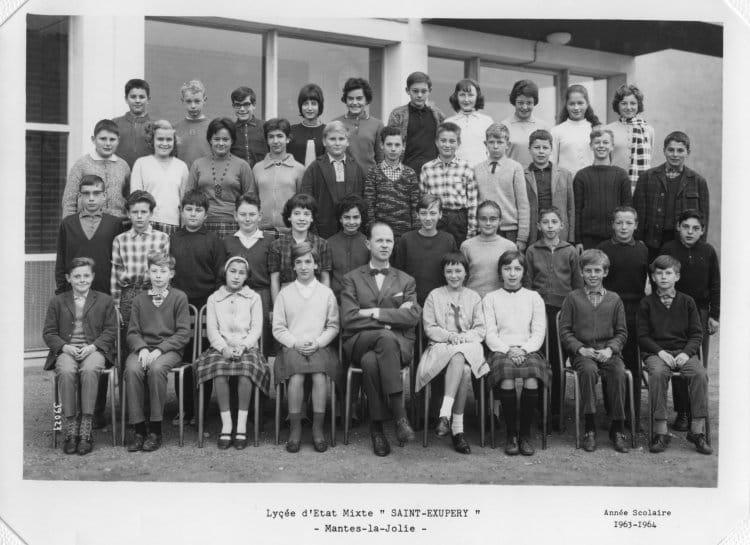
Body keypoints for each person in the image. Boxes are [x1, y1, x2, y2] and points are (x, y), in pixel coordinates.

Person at [341, 222, 421, 456]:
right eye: (379, 240)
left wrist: (374, 312)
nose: (384, 245)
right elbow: (348, 318)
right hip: (359, 341)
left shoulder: (406, 280)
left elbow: (413, 316)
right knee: (384, 337)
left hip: (397, 346)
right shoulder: (351, 279)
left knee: (370, 362)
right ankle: (400, 416)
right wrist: (390, 320)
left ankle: (377, 430)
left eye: (389, 241)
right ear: (368, 244)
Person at [43, 257, 118, 455]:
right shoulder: (57, 301)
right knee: (66, 370)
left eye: (86, 275)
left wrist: (94, 347)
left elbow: (111, 331)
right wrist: (64, 347)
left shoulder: (105, 300)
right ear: (68, 278)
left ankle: (86, 426)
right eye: (77, 276)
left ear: (92, 277)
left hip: (94, 350)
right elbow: (49, 333)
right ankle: (71, 426)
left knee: (90, 369)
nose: (82, 280)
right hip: (67, 350)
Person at [195, 255, 270, 450]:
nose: (236, 276)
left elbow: (256, 328)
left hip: (247, 347)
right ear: (225, 273)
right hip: (221, 347)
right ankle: (227, 424)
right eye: (233, 271)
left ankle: (241, 425)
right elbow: (212, 330)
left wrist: (243, 346)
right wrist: (224, 348)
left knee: (246, 372)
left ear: (246, 276)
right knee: (220, 372)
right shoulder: (214, 299)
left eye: (241, 273)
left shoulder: (254, 298)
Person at [638, 255, 711, 455]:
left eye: (668, 273)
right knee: (658, 374)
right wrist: (660, 352)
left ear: (677, 276)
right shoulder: (646, 303)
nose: (663, 277)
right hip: (656, 353)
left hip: (682, 352)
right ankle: (661, 431)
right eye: (659, 273)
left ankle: (697, 431)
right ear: (653, 277)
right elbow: (642, 336)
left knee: (699, 374)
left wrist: (687, 353)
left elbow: (696, 334)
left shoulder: (687, 302)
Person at [558, 249, 630, 453]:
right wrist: (580, 349)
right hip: (583, 354)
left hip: (608, 352)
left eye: (597, 270)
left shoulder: (614, 299)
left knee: (618, 372)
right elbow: (565, 331)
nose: (592, 275)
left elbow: (622, 332)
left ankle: (617, 427)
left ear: (605, 272)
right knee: (588, 372)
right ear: (581, 272)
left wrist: (611, 349)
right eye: (588, 270)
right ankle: (589, 427)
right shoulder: (573, 298)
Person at [416, 252, 488, 454]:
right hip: (441, 346)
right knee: (463, 368)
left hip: (467, 344)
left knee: (460, 356)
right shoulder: (434, 295)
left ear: (466, 273)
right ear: (443, 273)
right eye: (449, 271)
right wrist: (449, 336)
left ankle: (445, 415)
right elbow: (430, 327)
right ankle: (457, 430)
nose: (454, 275)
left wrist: (463, 338)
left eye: (458, 271)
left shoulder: (473, 297)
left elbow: (480, 329)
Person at [273, 243, 341, 453]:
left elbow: (333, 326)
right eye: (299, 262)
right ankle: (295, 430)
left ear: (316, 265)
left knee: (320, 376)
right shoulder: (285, 294)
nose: (303, 267)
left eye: (308, 262)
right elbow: (278, 328)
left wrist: (318, 342)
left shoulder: (326, 293)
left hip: (319, 346)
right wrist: (295, 342)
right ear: (293, 266)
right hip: (292, 347)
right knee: (297, 376)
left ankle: (317, 430)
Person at [659, 209, 720, 431]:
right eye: (685, 227)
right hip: (674, 312)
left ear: (702, 230)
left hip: (700, 312)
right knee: (678, 358)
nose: (690, 232)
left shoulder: (708, 251)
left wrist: (714, 315)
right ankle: (683, 412)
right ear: (678, 227)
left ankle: (698, 414)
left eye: (695, 228)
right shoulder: (669, 249)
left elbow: (715, 283)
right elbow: (659, 278)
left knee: (696, 362)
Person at [124, 252, 191, 452]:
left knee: (156, 369)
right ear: (148, 273)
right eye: (154, 271)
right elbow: (132, 332)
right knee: (132, 369)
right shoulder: (139, 300)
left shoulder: (179, 297)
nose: (159, 275)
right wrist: (143, 348)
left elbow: (183, 333)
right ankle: (138, 429)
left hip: (169, 349)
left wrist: (161, 349)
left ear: (171, 274)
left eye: (163, 271)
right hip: (144, 348)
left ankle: (155, 429)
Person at [483, 250, 548, 456]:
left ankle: (525, 435)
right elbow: (489, 333)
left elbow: (539, 332)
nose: (512, 273)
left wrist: (524, 349)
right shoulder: (491, 298)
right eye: (507, 268)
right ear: (500, 272)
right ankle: (511, 434)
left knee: (532, 379)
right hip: (501, 350)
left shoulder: (534, 297)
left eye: (517, 269)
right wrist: (508, 350)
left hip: (529, 349)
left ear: (524, 272)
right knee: (507, 378)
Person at [170, 189, 226, 425]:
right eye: (189, 209)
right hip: (180, 308)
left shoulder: (213, 240)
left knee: (203, 357)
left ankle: (201, 408)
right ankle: (184, 408)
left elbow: (220, 277)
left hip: (205, 307)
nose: (193, 214)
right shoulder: (172, 239)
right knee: (182, 357)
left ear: (206, 214)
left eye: (198, 210)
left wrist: (213, 305)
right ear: (181, 212)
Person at [525, 207, 583, 427]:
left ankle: (557, 410)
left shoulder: (570, 251)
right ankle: (541, 408)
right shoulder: (532, 250)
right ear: (538, 226)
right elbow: (528, 283)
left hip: (562, 313)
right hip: (539, 311)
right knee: (542, 359)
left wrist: (574, 310)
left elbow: (577, 285)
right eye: (545, 222)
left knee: (558, 361)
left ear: (562, 225)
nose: (550, 226)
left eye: (554, 222)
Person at [597, 206, 649, 427]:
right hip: (609, 311)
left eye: (628, 223)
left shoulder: (643, 249)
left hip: (635, 312)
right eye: (619, 223)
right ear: (612, 225)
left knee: (633, 364)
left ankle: (632, 415)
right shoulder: (603, 249)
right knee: (611, 362)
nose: (624, 227)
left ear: (635, 225)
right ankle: (613, 413)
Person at [633, 131, 710, 262]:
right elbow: (638, 214)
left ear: (688, 152)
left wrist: (699, 246)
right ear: (664, 151)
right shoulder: (647, 178)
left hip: (684, 244)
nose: (675, 154)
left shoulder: (698, 181)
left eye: (680, 150)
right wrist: (638, 242)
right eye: (671, 150)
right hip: (653, 243)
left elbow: (704, 219)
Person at [186, 117, 257, 238]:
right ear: (210, 140)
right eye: (216, 139)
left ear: (232, 141)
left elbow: (250, 199)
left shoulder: (242, 165)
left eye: (225, 139)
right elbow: (188, 196)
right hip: (202, 223)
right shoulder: (198, 164)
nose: (221, 143)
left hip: (233, 224)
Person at [110, 190, 170, 329]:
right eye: (135, 212)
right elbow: (115, 275)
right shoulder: (120, 240)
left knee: (153, 333)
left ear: (151, 213)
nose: (139, 216)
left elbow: (165, 272)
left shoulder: (162, 238)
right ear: (128, 214)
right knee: (128, 334)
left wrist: (163, 298)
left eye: (144, 212)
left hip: (153, 292)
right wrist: (116, 305)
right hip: (128, 294)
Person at [55, 175, 124, 296]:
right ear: (80, 196)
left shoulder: (115, 224)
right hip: (74, 293)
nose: (91, 198)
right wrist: (61, 292)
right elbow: (61, 262)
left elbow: (120, 263)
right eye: (86, 194)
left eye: (96, 193)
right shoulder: (68, 224)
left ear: (104, 196)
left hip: (105, 293)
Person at [224, 193, 274, 354]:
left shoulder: (270, 241)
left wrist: (273, 307)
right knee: (236, 342)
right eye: (243, 214)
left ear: (260, 216)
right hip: (234, 298)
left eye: (252, 214)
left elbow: (274, 276)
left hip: (262, 296)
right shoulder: (227, 242)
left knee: (262, 343)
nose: (247, 219)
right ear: (235, 216)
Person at [299, 120, 365, 239]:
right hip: (323, 231)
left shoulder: (356, 168)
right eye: (332, 139)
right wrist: (313, 232)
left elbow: (363, 201)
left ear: (348, 142)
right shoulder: (314, 168)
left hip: (350, 231)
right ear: (324, 141)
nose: (337, 143)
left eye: (341, 139)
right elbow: (306, 202)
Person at [419, 121, 478, 245]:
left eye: (452, 141)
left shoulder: (466, 167)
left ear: (458, 143)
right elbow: (422, 201)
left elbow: (473, 203)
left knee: (457, 252)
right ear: (436, 142)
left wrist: (472, 230)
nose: (447, 145)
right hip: (435, 218)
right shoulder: (427, 168)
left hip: (459, 220)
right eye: (443, 140)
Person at [573, 128, 631, 251]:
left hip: (616, 238)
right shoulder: (581, 176)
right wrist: (578, 240)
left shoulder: (621, 175)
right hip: (588, 239)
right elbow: (576, 210)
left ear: (612, 146)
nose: (601, 146)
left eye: (605, 142)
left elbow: (628, 208)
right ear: (591, 146)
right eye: (597, 142)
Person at [473, 123, 530, 249]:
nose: (495, 146)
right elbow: (474, 202)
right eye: (491, 142)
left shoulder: (515, 168)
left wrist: (522, 237)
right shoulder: (477, 169)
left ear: (507, 144)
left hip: (509, 230)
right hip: (484, 228)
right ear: (485, 144)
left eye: (500, 142)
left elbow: (523, 204)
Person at [395, 194, 457, 305]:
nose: (428, 218)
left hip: (441, 301)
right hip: (412, 300)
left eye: (433, 213)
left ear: (440, 214)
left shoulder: (448, 240)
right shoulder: (406, 239)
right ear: (417, 215)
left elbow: (454, 271)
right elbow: (399, 273)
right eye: (423, 213)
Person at [130, 119, 189, 236]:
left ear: (174, 141)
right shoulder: (141, 163)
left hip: (173, 224)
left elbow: (184, 201)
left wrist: (183, 227)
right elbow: (135, 198)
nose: (165, 143)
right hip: (147, 224)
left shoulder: (181, 166)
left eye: (169, 139)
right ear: (152, 140)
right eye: (160, 139)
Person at [269, 194, 332, 302]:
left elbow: (325, 278)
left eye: (306, 214)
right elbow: (275, 280)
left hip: (314, 299)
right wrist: (277, 307)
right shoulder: (277, 245)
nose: (301, 218)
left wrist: (323, 304)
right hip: (288, 299)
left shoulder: (322, 244)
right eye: (297, 213)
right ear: (289, 217)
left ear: (312, 218)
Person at [61, 119, 130, 218]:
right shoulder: (82, 164)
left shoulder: (123, 166)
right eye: (103, 139)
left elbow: (128, 198)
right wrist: (69, 224)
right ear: (93, 139)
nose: (108, 143)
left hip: (118, 223)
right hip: (88, 223)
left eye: (112, 139)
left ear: (118, 140)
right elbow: (69, 200)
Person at [362, 126, 420, 241]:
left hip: (405, 236)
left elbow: (415, 207)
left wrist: (415, 235)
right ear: (381, 145)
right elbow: (369, 206)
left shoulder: (410, 173)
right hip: (380, 235)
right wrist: (372, 231)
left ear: (403, 146)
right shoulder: (373, 173)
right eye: (389, 144)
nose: (393, 149)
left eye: (397, 145)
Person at [253, 118, 305, 236]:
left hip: (290, 232)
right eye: (271, 137)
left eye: (280, 136)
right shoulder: (257, 168)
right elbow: (252, 200)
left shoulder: (299, 169)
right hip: (261, 231)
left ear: (288, 139)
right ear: (267, 140)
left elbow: (302, 203)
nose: (275, 141)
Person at [387, 71, 445, 176]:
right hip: (405, 173)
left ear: (430, 91)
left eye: (424, 91)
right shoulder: (398, 115)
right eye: (415, 91)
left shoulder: (438, 115)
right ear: (407, 90)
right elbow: (390, 145)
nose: (419, 95)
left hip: (434, 174)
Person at [524, 129, 575, 244]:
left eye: (545, 148)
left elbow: (570, 208)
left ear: (551, 149)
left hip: (558, 232)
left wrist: (571, 237)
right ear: (529, 149)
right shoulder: (522, 175)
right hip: (533, 231)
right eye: (537, 147)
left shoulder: (564, 174)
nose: (541, 151)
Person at [460, 200, 517, 299]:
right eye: (483, 219)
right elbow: (461, 278)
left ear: (500, 221)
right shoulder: (467, 246)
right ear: (477, 220)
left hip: (500, 301)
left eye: (493, 219)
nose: (488, 223)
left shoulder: (509, 246)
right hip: (472, 301)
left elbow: (515, 277)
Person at [605, 83, 655, 193]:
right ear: (617, 105)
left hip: (641, 187)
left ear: (638, 105)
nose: (628, 107)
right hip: (614, 185)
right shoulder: (608, 129)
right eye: (624, 103)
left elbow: (649, 156)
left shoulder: (648, 130)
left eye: (633, 103)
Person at [333, 77, 384, 173]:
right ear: (345, 100)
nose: (354, 102)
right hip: (343, 179)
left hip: (370, 179)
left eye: (359, 98)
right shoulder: (336, 123)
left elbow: (381, 159)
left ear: (366, 100)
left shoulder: (377, 125)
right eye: (350, 98)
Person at [551, 84, 602, 178]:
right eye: (572, 104)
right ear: (566, 105)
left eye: (580, 103)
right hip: (566, 183)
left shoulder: (596, 129)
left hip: (592, 181)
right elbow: (552, 163)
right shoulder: (556, 131)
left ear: (587, 104)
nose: (576, 108)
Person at [327, 194, 369, 301]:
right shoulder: (329, 243)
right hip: (336, 300)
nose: (351, 222)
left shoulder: (368, 244)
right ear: (340, 219)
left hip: (362, 301)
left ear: (361, 218)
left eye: (355, 217)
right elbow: (326, 276)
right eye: (347, 217)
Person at [444, 78, 494, 168]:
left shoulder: (487, 121)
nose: (466, 100)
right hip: (456, 172)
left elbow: (492, 150)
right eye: (462, 95)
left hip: (481, 171)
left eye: (471, 95)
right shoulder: (448, 123)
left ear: (477, 97)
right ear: (456, 97)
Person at [501, 79, 550, 168]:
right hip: (512, 174)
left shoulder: (543, 126)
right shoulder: (503, 126)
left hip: (537, 175)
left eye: (529, 103)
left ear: (534, 103)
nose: (524, 107)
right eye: (520, 103)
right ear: (514, 102)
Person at [112, 78, 152, 169]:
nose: (137, 100)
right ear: (126, 99)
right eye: (133, 97)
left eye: (142, 97)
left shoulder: (156, 126)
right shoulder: (114, 124)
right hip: (120, 174)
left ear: (148, 99)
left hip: (147, 175)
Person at [174, 79, 211, 170]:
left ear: (205, 100)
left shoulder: (213, 127)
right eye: (189, 101)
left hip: (206, 176)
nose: (193, 106)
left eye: (197, 101)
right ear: (182, 101)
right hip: (183, 177)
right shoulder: (175, 129)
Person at [288, 83, 326, 167]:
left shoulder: (327, 131)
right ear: (300, 106)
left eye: (313, 103)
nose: (309, 108)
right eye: (305, 104)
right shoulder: (291, 131)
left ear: (320, 106)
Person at [229, 86, 265, 167]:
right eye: (237, 105)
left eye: (246, 104)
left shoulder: (265, 127)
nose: (242, 109)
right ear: (233, 106)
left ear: (254, 105)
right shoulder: (230, 130)